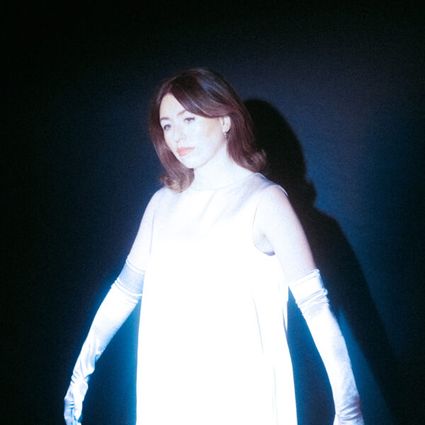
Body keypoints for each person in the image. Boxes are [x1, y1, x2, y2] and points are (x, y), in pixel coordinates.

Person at [64, 67, 364, 425]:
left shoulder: (265, 201)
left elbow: (316, 308)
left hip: (241, 400)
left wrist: (348, 409)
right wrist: (81, 371)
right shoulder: (162, 203)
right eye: (167, 125)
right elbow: (124, 292)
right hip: (168, 396)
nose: (177, 135)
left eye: (188, 119)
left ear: (224, 119)